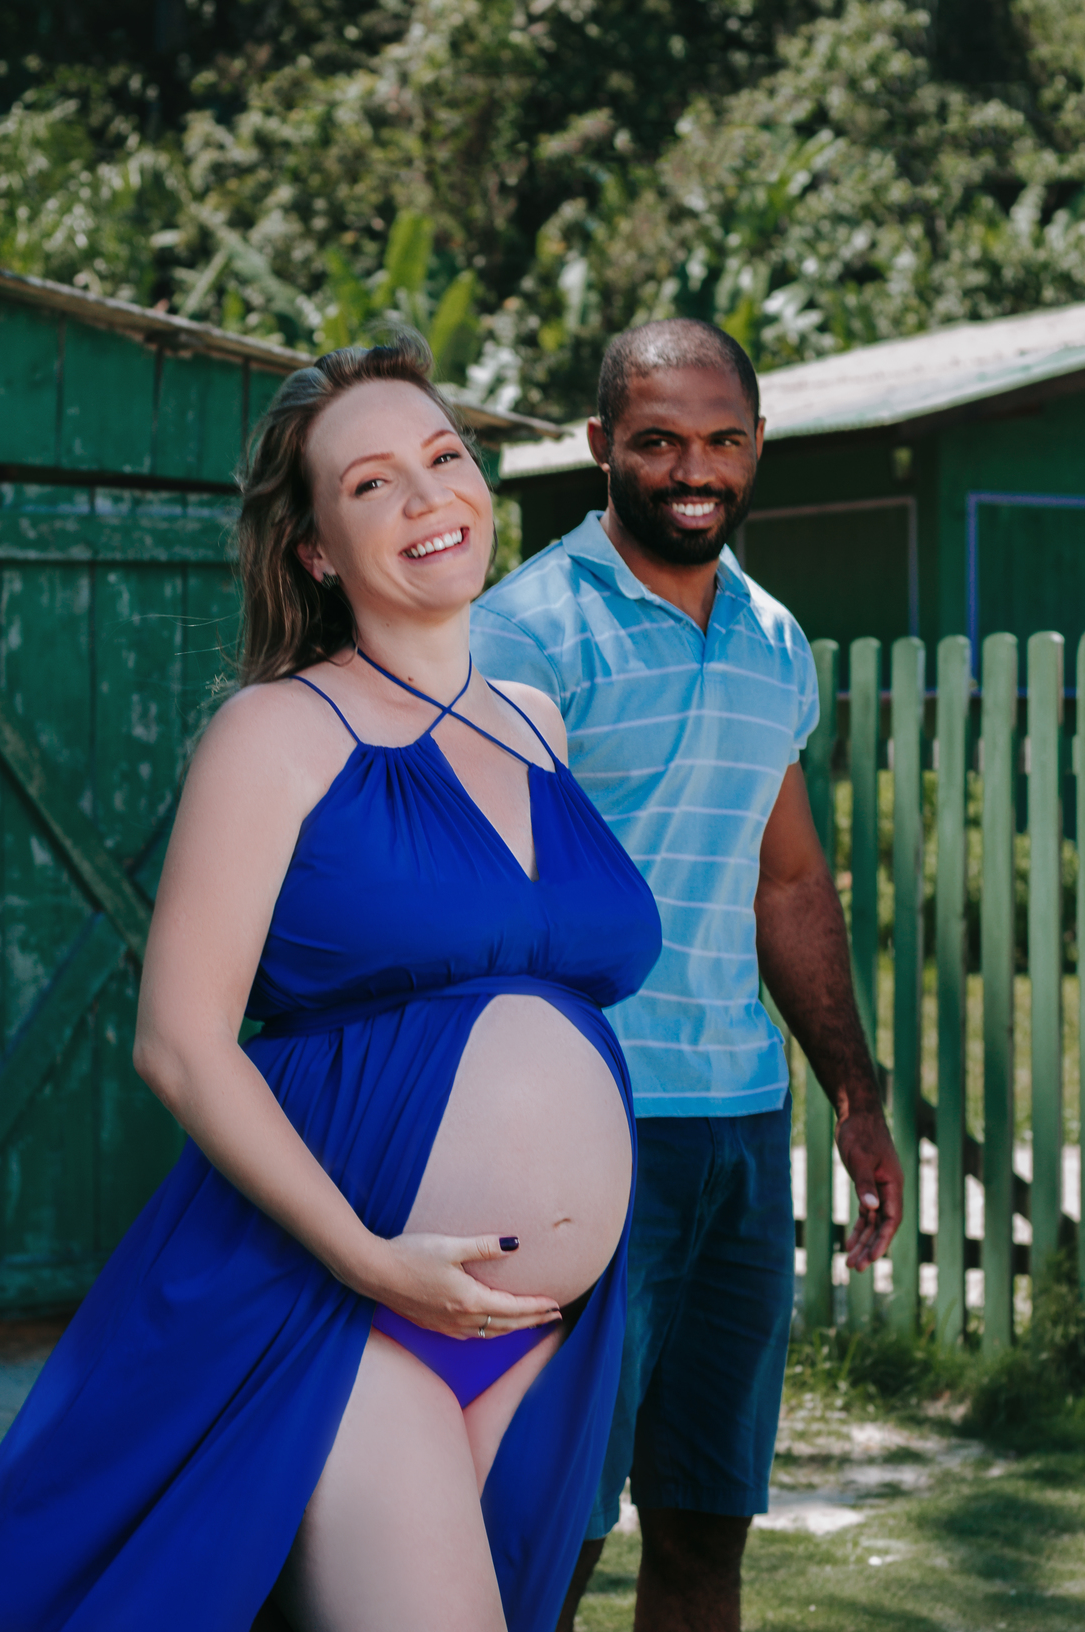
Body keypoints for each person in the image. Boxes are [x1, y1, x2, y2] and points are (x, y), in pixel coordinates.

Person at [0, 335, 662, 1632]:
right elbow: (180, 1042)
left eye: (443, 456)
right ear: (313, 549)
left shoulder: (539, 722)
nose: (427, 496)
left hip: (539, 1330)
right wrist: (372, 1261)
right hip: (335, 1302)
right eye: (370, 484)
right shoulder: (276, 733)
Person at [470, 319, 903, 1632]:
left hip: (739, 1134)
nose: (694, 470)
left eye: (721, 441)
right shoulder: (523, 634)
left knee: (709, 1528)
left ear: (758, 443)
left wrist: (855, 1094)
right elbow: (473, 909)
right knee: (547, 1533)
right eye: (658, 443)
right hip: (582, 1137)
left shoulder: (775, 639)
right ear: (601, 446)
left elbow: (789, 884)